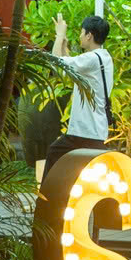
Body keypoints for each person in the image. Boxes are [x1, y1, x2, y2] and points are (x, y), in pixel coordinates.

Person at [46, 13, 115, 169]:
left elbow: (56, 63)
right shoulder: (103, 57)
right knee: (76, 168)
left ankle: (51, 187)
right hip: (94, 130)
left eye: (82, 32)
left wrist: (59, 35)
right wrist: (64, 46)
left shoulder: (91, 59)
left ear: (89, 35)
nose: (80, 36)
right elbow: (73, 69)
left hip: (85, 132)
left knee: (55, 154)